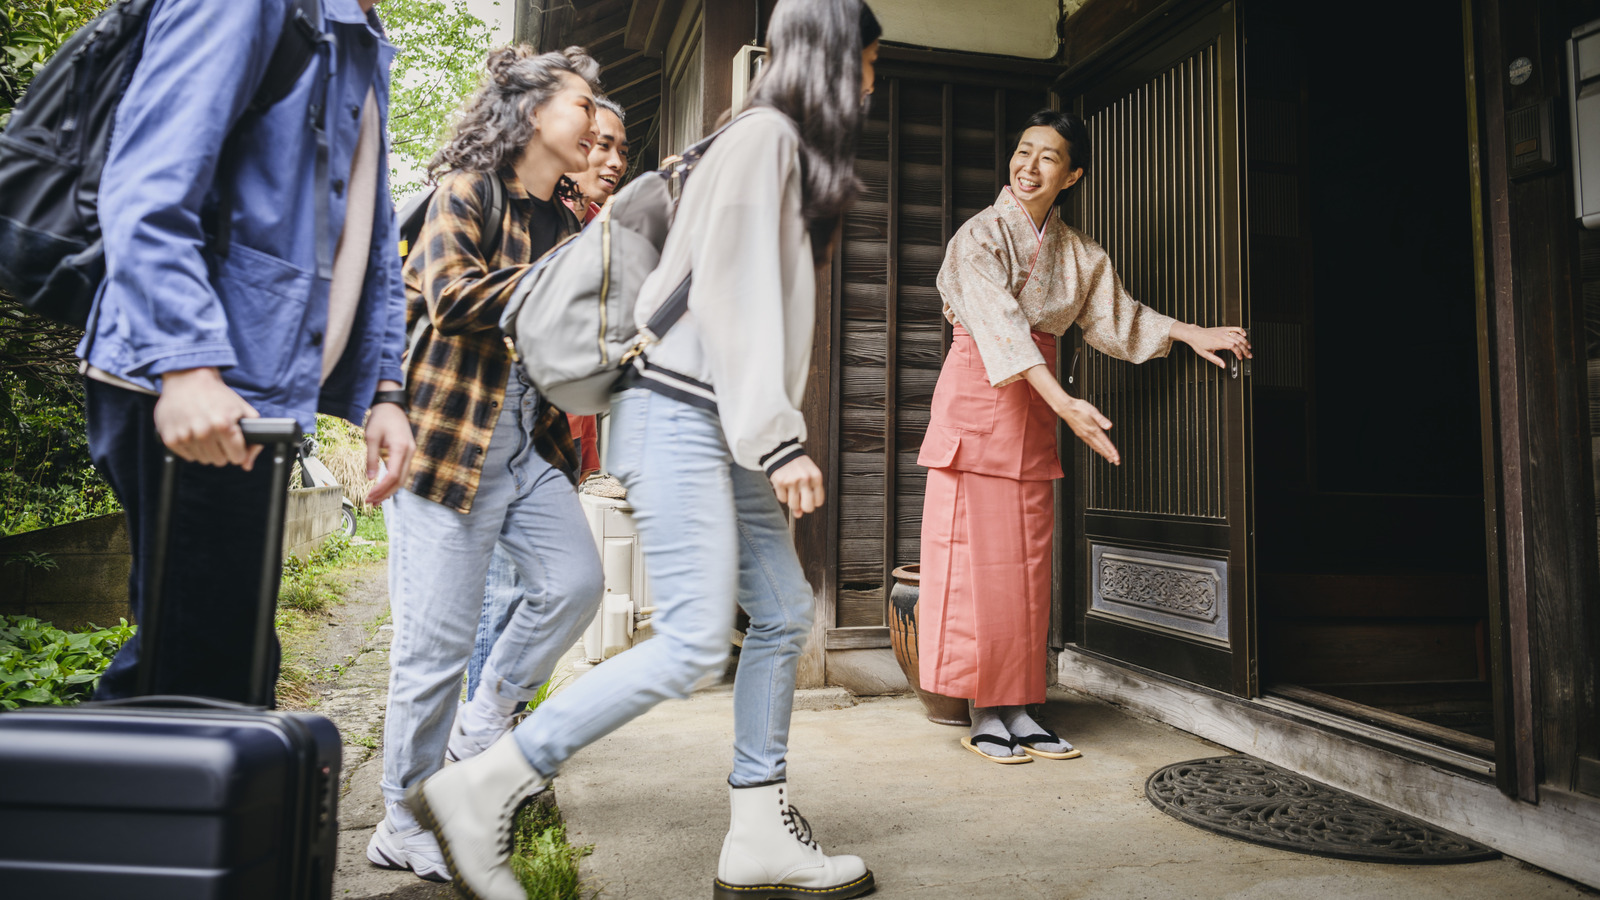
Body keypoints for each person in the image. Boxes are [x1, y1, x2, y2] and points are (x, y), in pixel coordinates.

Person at [407, 3, 883, 899]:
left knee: (781, 612)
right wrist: (780, 440)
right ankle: (487, 783)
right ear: (832, 58)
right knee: (695, 641)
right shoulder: (765, 139)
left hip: (714, 418)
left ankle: (755, 830)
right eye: (865, 62)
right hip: (679, 412)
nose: (869, 82)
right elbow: (735, 299)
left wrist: (762, 432)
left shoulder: (774, 151)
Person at [78, 0, 414, 704]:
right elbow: (147, 185)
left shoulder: (358, 35)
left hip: (252, 393)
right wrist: (187, 364)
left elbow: (374, 237)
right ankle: (101, 807)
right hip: (186, 387)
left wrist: (385, 390)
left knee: (218, 666)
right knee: (196, 680)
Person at [917, 108, 1252, 764]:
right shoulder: (980, 236)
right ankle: (988, 709)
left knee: (1025, 566)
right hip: (982, 402)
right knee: (980, 566)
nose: (1029, 166)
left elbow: (1117, 316)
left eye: (1048, 157)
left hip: (1038, 414)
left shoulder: (1078, 254)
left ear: (1072, 176)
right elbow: (1002, 331)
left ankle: (1021, 704)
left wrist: (1190, 333)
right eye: (1023, 150)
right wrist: (1066, 401)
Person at [367, 46, 606, 883]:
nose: (592, 119)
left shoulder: (567, 222)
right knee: (430, 652)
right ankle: (401, 818)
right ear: (534, 113)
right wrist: (563, 278)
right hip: (445, 442)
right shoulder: (465, 191)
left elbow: (570, 335)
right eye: (582, 103)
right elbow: (451, 298)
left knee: (576, 581)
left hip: (525, 444)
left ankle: (480, 729)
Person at [463, 92, 631, 706]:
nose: (610, 160)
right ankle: (477, 748)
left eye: (619, 149)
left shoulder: (585, 227)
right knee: (502, 592)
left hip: (559, 438)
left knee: (556, 587)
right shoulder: (529, 218)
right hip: (496, 435)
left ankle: (492, 733)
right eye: (597, 144)